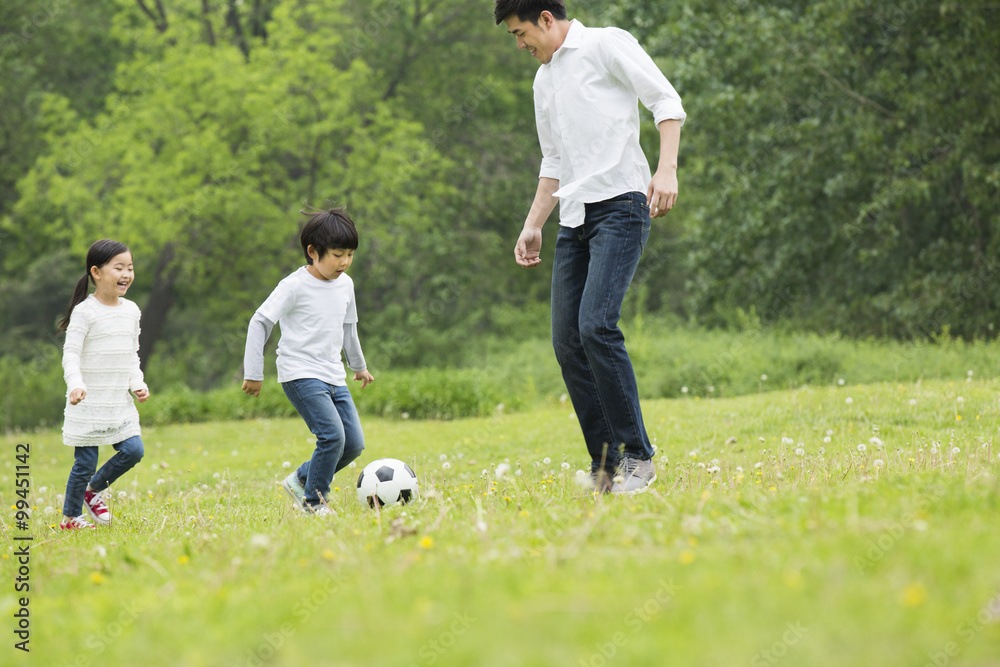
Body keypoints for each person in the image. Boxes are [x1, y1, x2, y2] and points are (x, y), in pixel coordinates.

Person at [494, 0, 686, 494]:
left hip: (621, 204)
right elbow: (553, 158)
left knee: (596, 325)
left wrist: (666, 170)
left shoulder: (605, 44)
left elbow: (666, 102)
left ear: (545, 19)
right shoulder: (543, 81)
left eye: (520, 34)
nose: (520, 45)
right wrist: (533, 224)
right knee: (567, 340)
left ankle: (639, 459)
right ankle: (606, 467)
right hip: (574, 217)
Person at [242, 206, 374, 515]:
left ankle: (301, 478)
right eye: (338, 254)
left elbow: (348, 327)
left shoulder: (346, 285)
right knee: (332, 436)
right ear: (313, 251)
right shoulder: (294, 286)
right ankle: (314, 502)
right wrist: (254, 372)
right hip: (300, 373)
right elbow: (260, 322)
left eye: (350, 255)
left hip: (333, 375)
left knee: (353, 444)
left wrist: (358, 366)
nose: (345, 262)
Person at [59, 239, 149, 529]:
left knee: (134, 450)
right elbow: (70, 354)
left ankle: (93, 491)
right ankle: (72, 518)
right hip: (87, 401)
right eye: (119, 267)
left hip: (117, 400)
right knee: (84, 462)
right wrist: (75, 385)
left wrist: (137, 382)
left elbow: (130, 353)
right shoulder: (85, 312)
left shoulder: (132, 310)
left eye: (130, 268)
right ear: (96, 272)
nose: (126, 274)